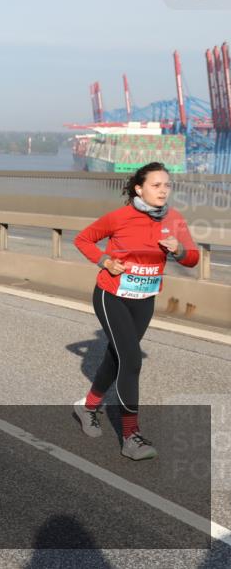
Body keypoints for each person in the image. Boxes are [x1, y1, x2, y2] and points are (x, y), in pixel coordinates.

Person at [73, 162, 198, 460]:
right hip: (111, 294)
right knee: (131, 361)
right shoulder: (120, 217)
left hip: (145, 299)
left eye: (167, 185)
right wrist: (105, 261)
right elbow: (83, 239)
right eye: (156, 185)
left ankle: (87, 407)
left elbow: (192, 257)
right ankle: (131, 437)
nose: (163, 190)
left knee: (116, 358)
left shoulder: (174, 219)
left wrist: (178, 249)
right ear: (139, 188)